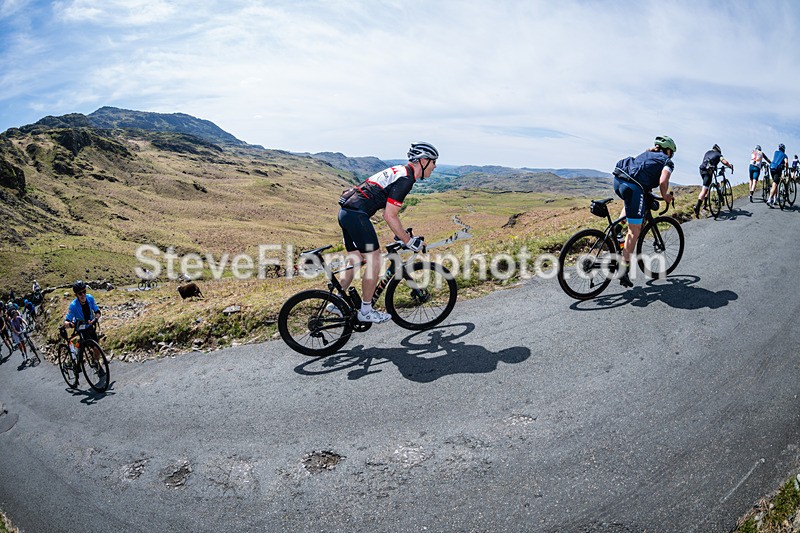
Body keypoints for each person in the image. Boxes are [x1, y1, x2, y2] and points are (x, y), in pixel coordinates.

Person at [335, 142, 438, 323]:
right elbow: (389, 215)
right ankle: (366, 310)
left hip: (346, 213)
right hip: (356, 215)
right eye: (433, 161)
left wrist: (402, 234)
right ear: (423, 161)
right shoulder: (406, 179)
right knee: (375, 260)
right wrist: (408, 241)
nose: (434, 166)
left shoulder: (400, 171)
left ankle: (336, 302)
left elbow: (387, 208)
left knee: (356, 259)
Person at [612, 135, 676, 288]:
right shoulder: (667, 161)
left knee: (631, 204)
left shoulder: (648, 154)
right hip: (632, 187)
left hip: (618, 180)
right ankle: (623, 269)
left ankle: (617, 227)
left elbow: (643, 175)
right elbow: (663, 181)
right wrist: (666, 196)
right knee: (635, 230)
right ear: (668, 151)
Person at [694, 144, 734, 217]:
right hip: (708, 171)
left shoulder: (707, 152)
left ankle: (705, 205)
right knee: (704, 189)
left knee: (707, 187)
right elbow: (724, 162)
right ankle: (697, 207)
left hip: (702, 170)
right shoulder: (718, 154)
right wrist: (730, 166)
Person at [766, 143, 789, 208]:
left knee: (776, 184)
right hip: (777, 169)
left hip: (771, 168)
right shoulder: (784, 155)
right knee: (775, 184)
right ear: (784, 149)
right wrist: (786, 171)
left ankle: (775, 199)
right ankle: (770, 199)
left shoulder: (775, 152)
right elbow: (786, 162)